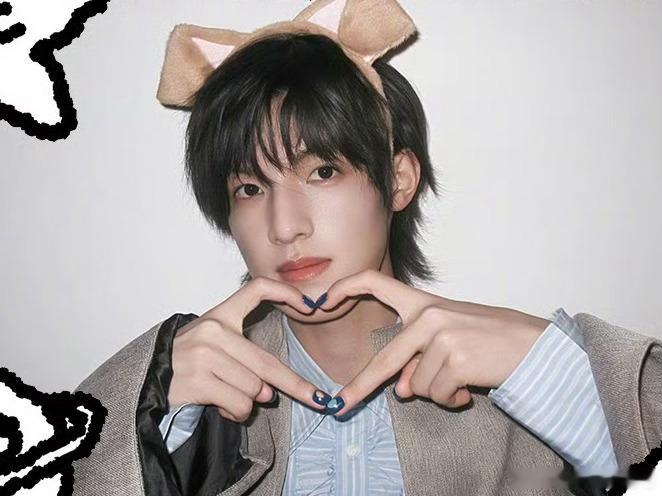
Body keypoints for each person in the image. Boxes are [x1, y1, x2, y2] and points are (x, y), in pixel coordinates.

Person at [71, 1, 662, 495]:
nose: (285, 227)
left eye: (323, 172)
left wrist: (554, 372)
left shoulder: (508, 383)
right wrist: (147, 417)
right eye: (250, 188)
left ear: (398, 179)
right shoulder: (188, 393)